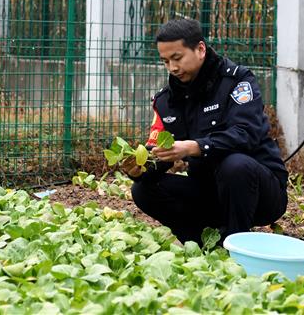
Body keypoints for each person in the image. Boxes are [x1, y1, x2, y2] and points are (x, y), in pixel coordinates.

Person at [122, 18, 288, 245]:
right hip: (210, 192)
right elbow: (160, 153)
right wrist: (139, 168)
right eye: (165, 61)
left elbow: (247, 133)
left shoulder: (237, 80)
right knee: (143, 190)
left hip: (261, 192)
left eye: (177, 58)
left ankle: (237, 246)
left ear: (200, 49)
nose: (172, 67)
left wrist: (194, 146)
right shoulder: (165, 101)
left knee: (235, 165)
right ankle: (202, 243)